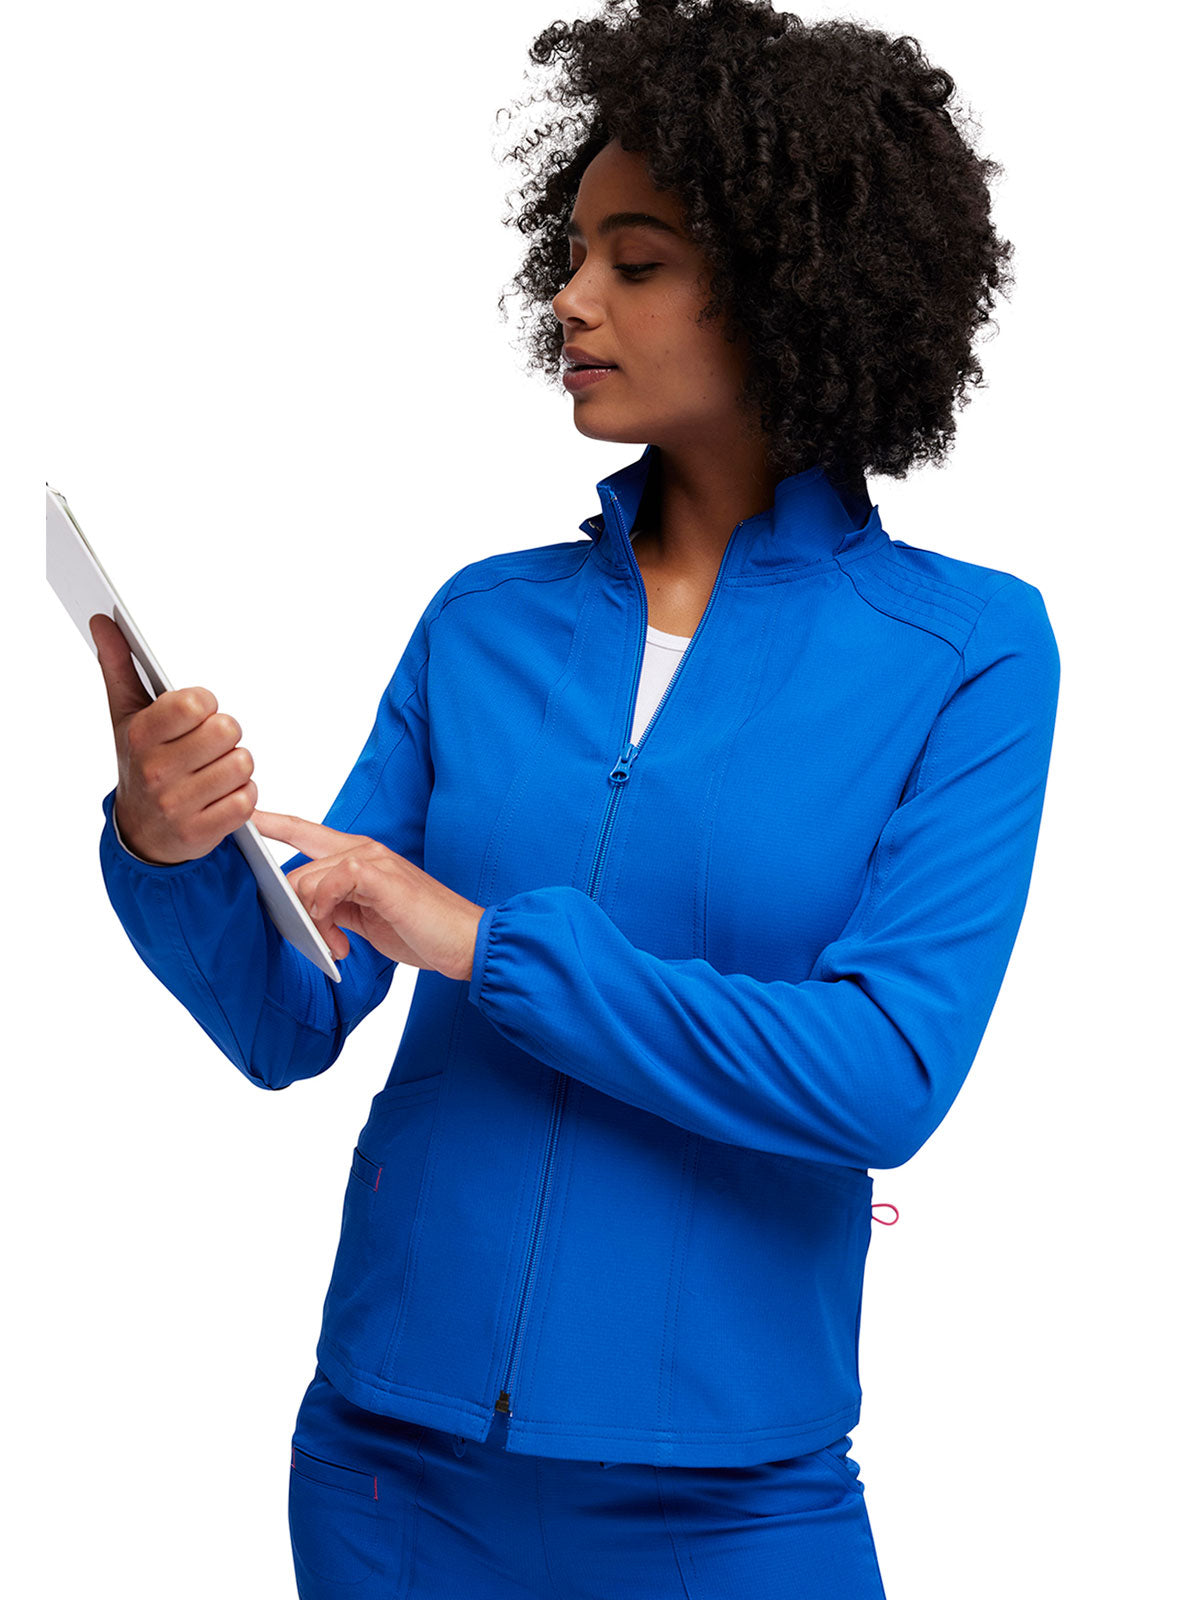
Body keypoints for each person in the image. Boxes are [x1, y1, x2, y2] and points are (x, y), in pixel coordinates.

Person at [89, 3, 1060, 1595]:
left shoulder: (964, 651)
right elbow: (290, 1012)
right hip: (392, 1476)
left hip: (732, 1502)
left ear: (789, 287)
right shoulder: (485, 621)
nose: (571, 294)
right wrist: (170, 844)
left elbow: (886, 1071)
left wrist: (486, 945)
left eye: (639, 260)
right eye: (575, 249)